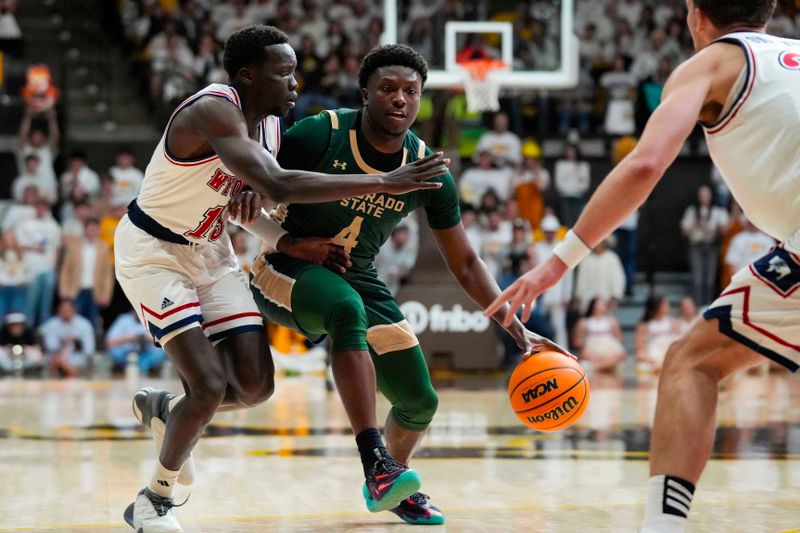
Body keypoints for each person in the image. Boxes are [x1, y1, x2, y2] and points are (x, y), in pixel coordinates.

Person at [114, 25, 449, 533]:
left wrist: (287, 241)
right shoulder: (212, 110)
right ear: (249, 76)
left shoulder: (270, 126)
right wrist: (385, 180)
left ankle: (169, 411)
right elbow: (274, 183)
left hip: (211, 251)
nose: (295, 85)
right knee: (207, 384)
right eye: (284, 74)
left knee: (254, 386)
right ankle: (153, 501)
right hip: (154, 251)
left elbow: (243, 204)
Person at [487, 2, 798, 531]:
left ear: (694, 14)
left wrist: (555, 265)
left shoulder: (714, 63)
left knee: (690, 362)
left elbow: (647, 162)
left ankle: (662, 528)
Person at [247, 44, 557, 526]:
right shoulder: (319, 134)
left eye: (410, 92)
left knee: (420, 402)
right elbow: (250, 190)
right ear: (365, 93)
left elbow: (468, 264)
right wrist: (284, 239)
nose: (399, 99)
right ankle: (375, 462)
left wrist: (515, 330)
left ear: (420, 100)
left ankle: (392, 481)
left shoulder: (427, 170)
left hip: (357, 274)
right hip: (283, 267)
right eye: (388, 88)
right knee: (346, 309)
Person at [680, 185, 729, 304]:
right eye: (701, 196)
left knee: (710, 280)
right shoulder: (692, 210)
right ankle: (697, 305)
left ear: (711, 196)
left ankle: (708, 304)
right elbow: (684, 230)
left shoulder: (717, 211)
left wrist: (715, 229)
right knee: (697, 279)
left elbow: (725, 228)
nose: (704, 198)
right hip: (697, 245)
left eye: (706, 195)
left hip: (711, 245)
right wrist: (697, 226)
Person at [40, 298, 95, 378]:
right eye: (63, 310)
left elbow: (89, 350)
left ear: (74, 310)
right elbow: (51, 346)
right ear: (58, 310)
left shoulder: (84, 324)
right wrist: (64, 342)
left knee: (67, 364)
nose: (65, 313)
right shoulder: (51, 324)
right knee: (54, 359)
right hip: (56, 358)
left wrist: (76, 342)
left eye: (68, 310)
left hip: (79, 358)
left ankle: (72, 380)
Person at [572, 297, 627, 373]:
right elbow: (577, 340)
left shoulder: (611, 321)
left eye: (603, 304)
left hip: (608, 348)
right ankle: (603, 366)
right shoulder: (584, 322)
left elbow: (618, 336)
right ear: (593, 306)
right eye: (600, 304)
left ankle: (599, 367)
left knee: (620, 355)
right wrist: (584, 348)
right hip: (592, 348)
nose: (602, 306)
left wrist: (613, 345)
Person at [105, 310, 167, 374]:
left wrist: (148, 339)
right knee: (115, 351)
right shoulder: (124, 319)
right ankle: (127, 369)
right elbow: (109, 342)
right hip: (126, 354)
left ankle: (141, 370)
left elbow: (164, 340)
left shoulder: (153, 320)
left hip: (146, 354)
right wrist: (129, 338)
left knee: (159, 352)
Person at [635, 295, 680, 372]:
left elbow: (678, 345)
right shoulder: (644, 325)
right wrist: (651, 360)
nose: (668, 306)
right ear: (656, 307)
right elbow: (640, 351)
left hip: (668, 355)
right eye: (664, 304)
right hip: (652, 357)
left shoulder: (673, 323)